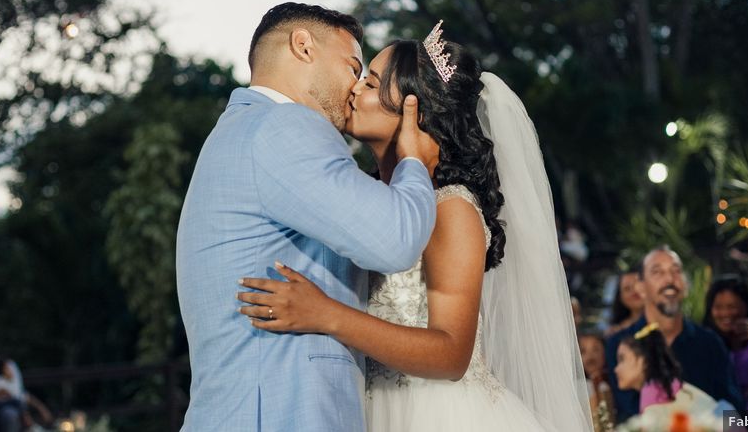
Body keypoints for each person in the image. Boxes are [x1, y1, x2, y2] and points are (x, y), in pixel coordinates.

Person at [237, 24, 593, 431]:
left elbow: (451, 354)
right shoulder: (369, 198)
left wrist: (325, 314)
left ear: (414, 111)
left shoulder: (450, 207)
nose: (353, 89)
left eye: (369, 82)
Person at [176, 3, 440, 432]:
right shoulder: (285, 126)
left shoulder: (241, 131)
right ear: (303, 46)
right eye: (353, 67)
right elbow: (395, 240)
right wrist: (413, 161)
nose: (356, 87)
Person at [605, 247, 744, 423]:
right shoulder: (620, 344)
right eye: (657, 272)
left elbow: (733, 407)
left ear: (685, 284)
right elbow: (628, 413)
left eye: (676, 271)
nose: (670, 279)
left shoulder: (709, 342)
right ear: (640, 287)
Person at [613, 324, 731, 431]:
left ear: (643, 361)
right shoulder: (669, 387)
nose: (616, 369)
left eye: (622, 359)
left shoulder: (653, 394)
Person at [703, 275, 748, 412]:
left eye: (731, 306)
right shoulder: (705, 341)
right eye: (718, 307)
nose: (725, 313)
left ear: (746, 306)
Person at [579, 332, 615, 431]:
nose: (590, 356)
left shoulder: (615, 384)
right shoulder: (577, 388)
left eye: (595, 350)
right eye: (583, 351)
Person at [605, 271, 644, 337]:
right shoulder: (616, 333)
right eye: (627, 288)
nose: (634, 291)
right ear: (620, 297)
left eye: (638, 285)